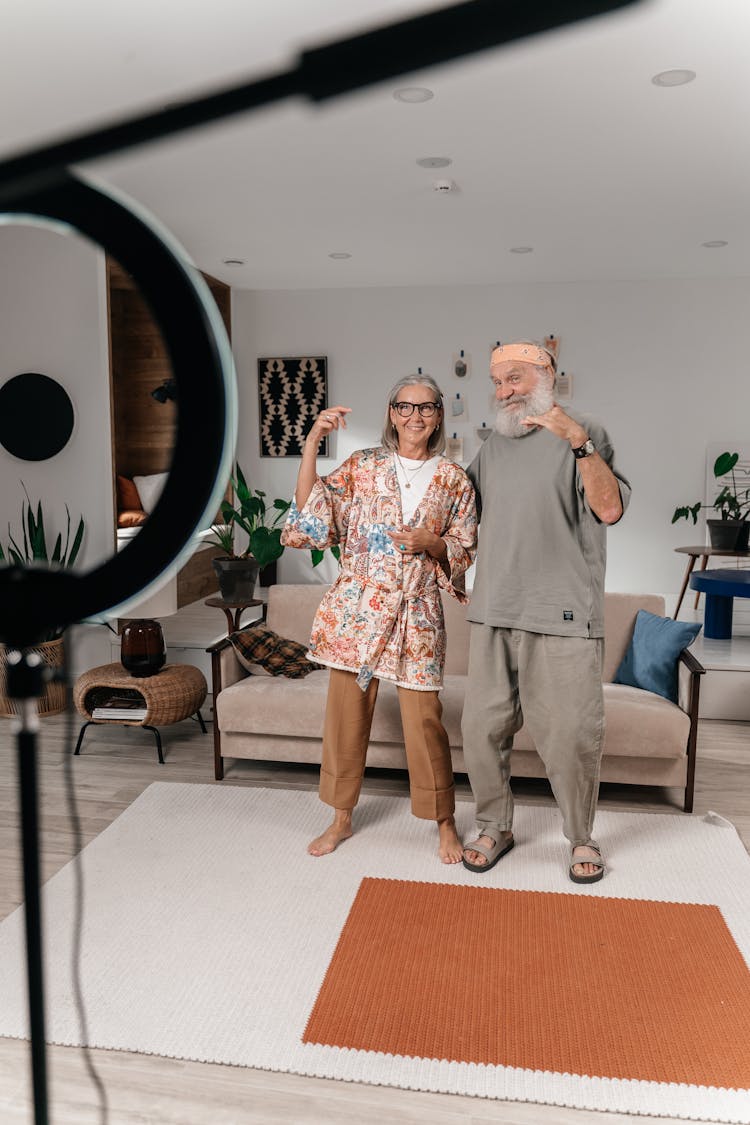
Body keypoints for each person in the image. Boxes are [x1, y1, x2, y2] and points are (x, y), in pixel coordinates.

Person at [281, 375, 477, 863]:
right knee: (346, 718)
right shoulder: (364, 466)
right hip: (359, 610)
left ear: (438, 416)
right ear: (391, 412)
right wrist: (310, 445)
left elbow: (465, 547)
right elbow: (312, 512)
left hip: (419, 609)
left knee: (425, 721)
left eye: (426, 408)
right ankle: (340, 818)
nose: (415, 416)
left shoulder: (454, 478)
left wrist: (432, 543)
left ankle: (445, 822)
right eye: (405, 407)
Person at [461, 341, 630, 883]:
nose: (504, 390)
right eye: (498, 381)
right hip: (493, 609)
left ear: (546, 376)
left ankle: (582, 837)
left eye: (514, 378)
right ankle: (494, 825)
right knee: (482, 730)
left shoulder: (587, 432)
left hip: (562, 614)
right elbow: (458, 512)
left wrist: (579, 444)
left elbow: (610, 509)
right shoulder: (493, 446)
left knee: (571, 735)